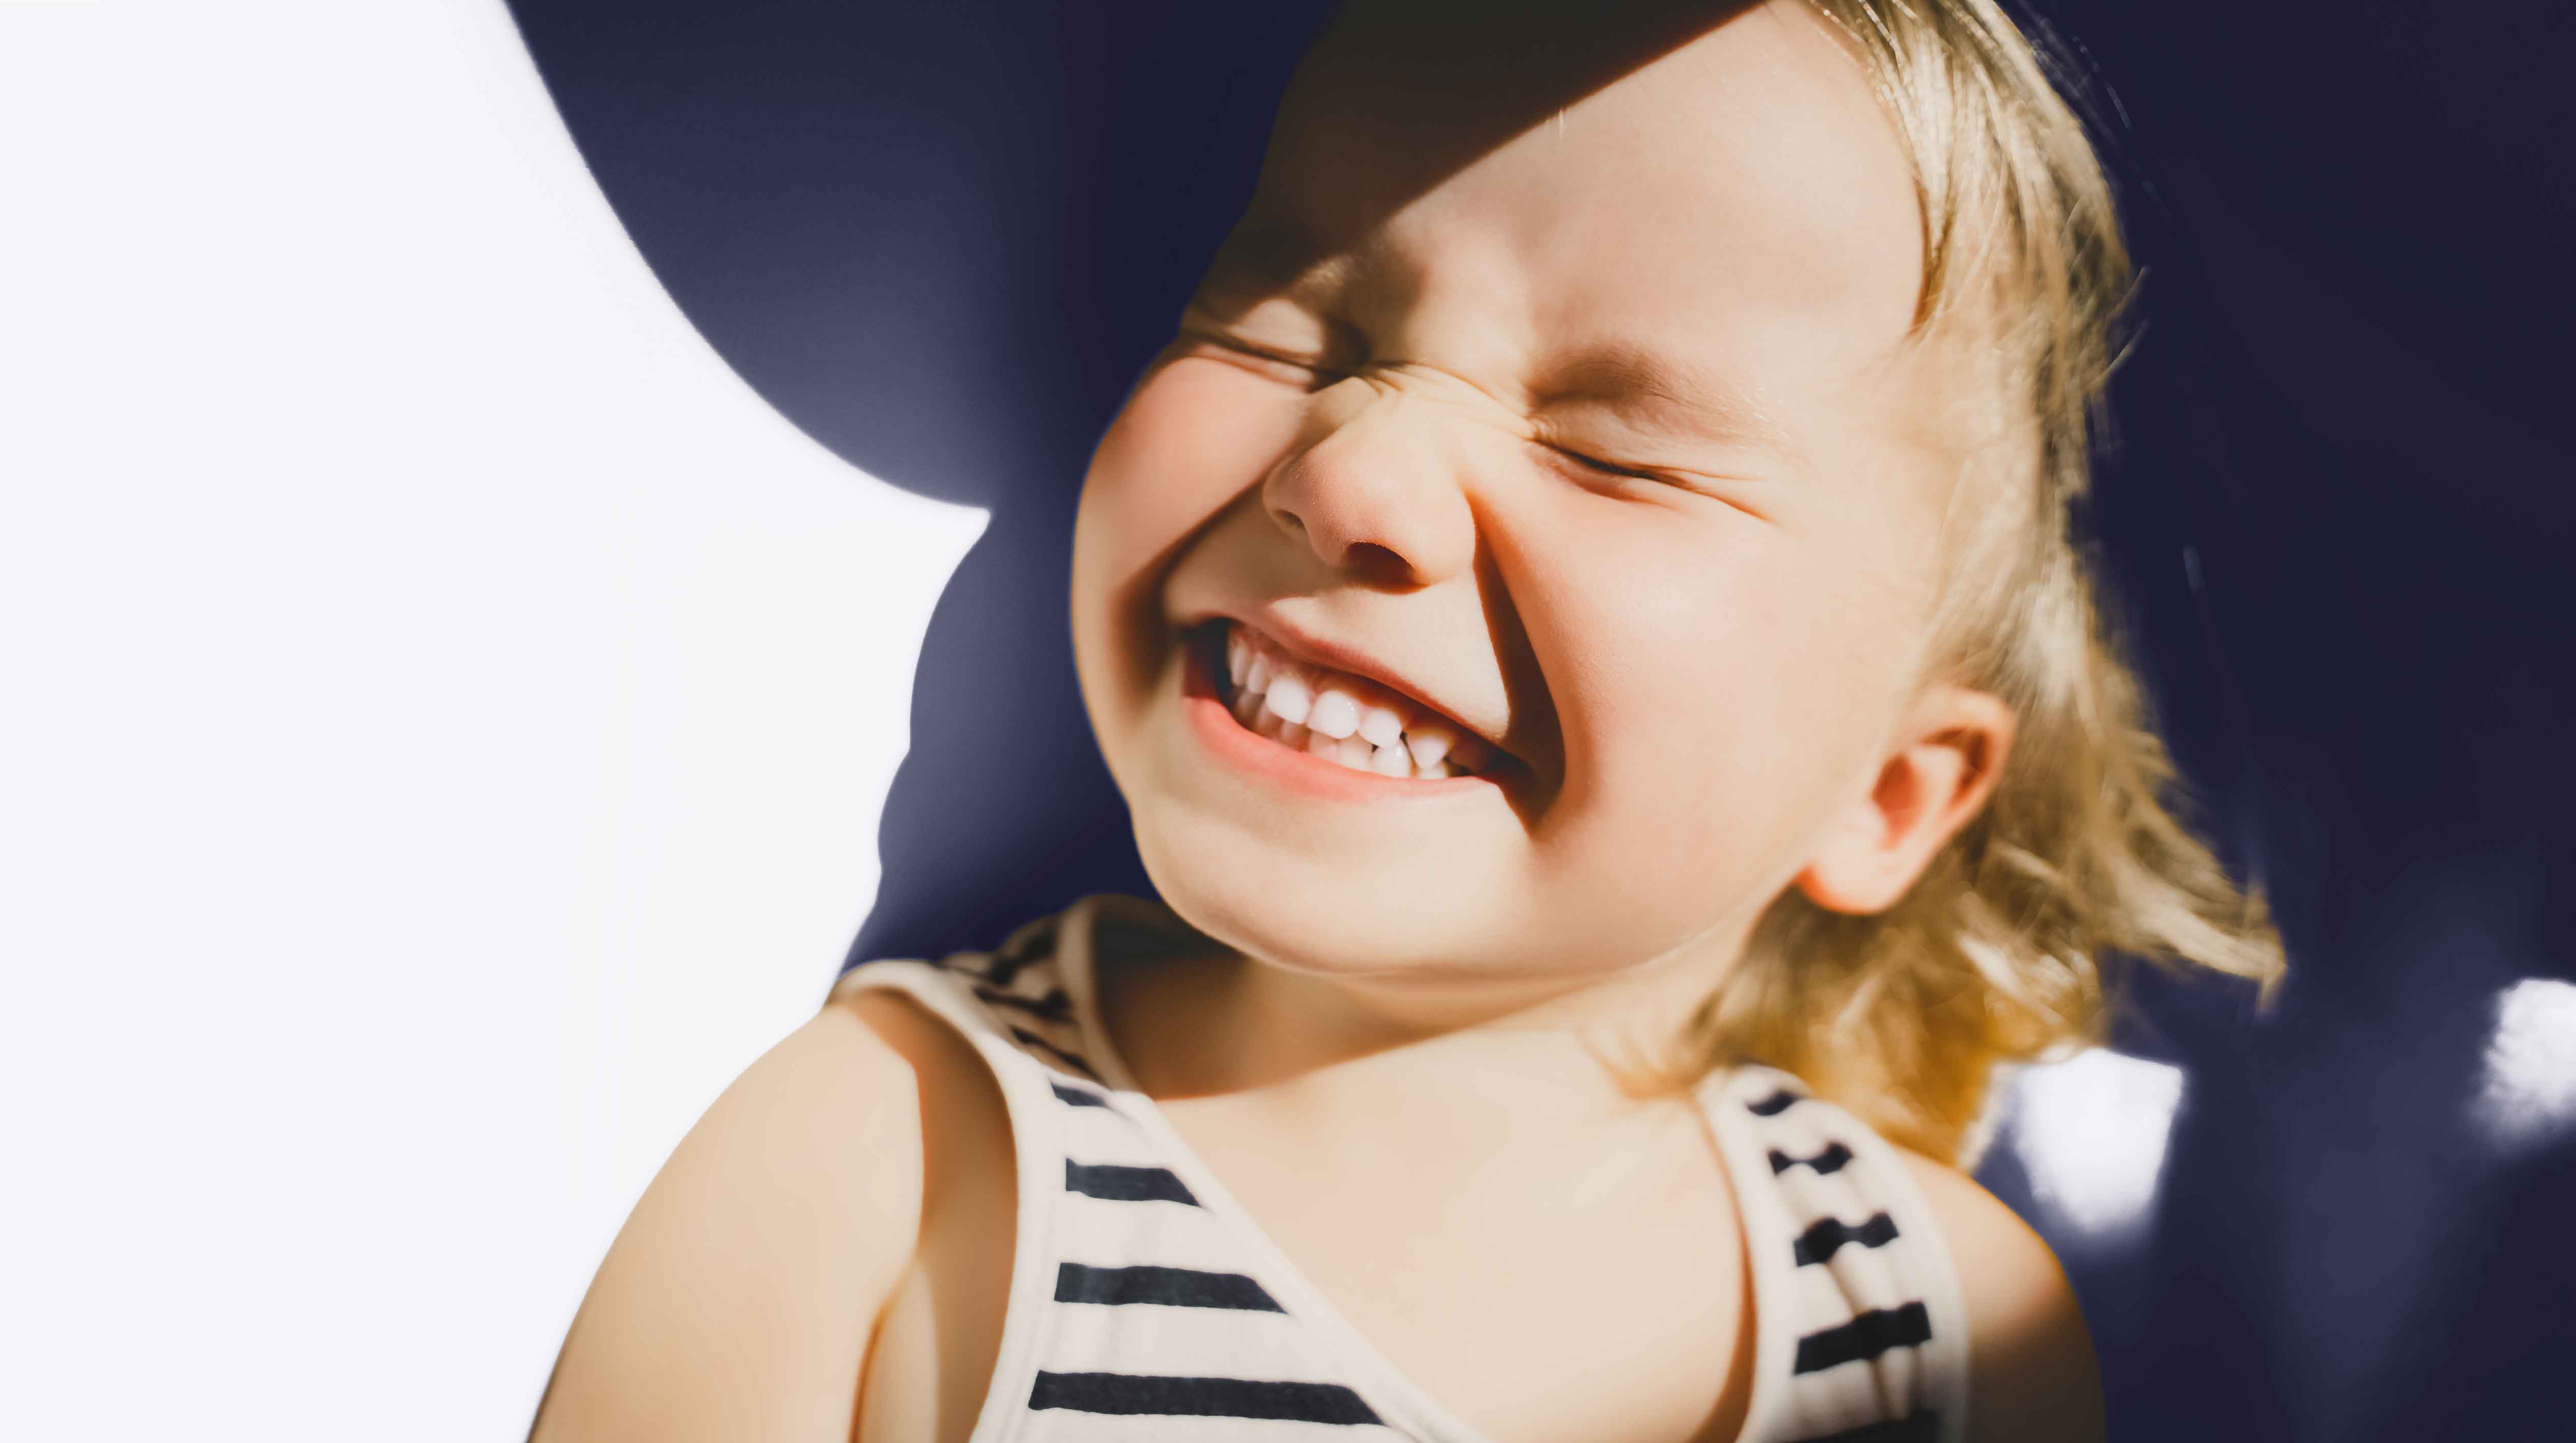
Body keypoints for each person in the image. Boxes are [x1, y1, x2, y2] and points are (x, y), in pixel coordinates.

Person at [531, 2, 2281, 1439]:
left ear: (1892, 797)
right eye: (1291, 329)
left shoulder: (1945, 1328)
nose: (1355, 467)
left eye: (1616, 450)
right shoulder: (893, 1153)